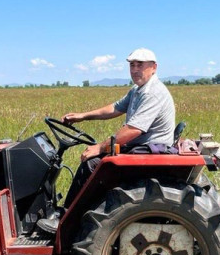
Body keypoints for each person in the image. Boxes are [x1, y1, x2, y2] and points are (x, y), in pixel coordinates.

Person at [37, 47, 176, 233]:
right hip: (141, 146)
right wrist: (82, 116)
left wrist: (101, 148)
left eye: (140, 65)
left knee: (92, 164)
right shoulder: (137, 90)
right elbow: (115, 108)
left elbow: (134, 130)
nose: (135, 69)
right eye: (132, 65)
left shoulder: (153, 92)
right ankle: (73, 214)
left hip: (149, 149)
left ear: (154, 67)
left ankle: (65, 221)